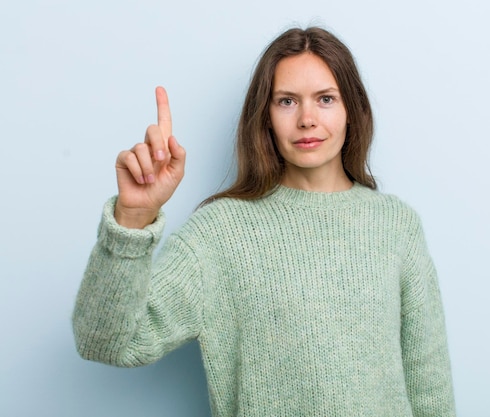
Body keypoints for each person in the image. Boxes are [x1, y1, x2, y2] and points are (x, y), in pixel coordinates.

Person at [72, 27, 456, 416]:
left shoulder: (396, 226)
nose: (307, 119)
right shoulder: (220, 234)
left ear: (352, 111)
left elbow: (430, 384)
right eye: (287, 101)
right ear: (266, 117)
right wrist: (132, 220)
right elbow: (108, 343)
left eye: (325, 99)